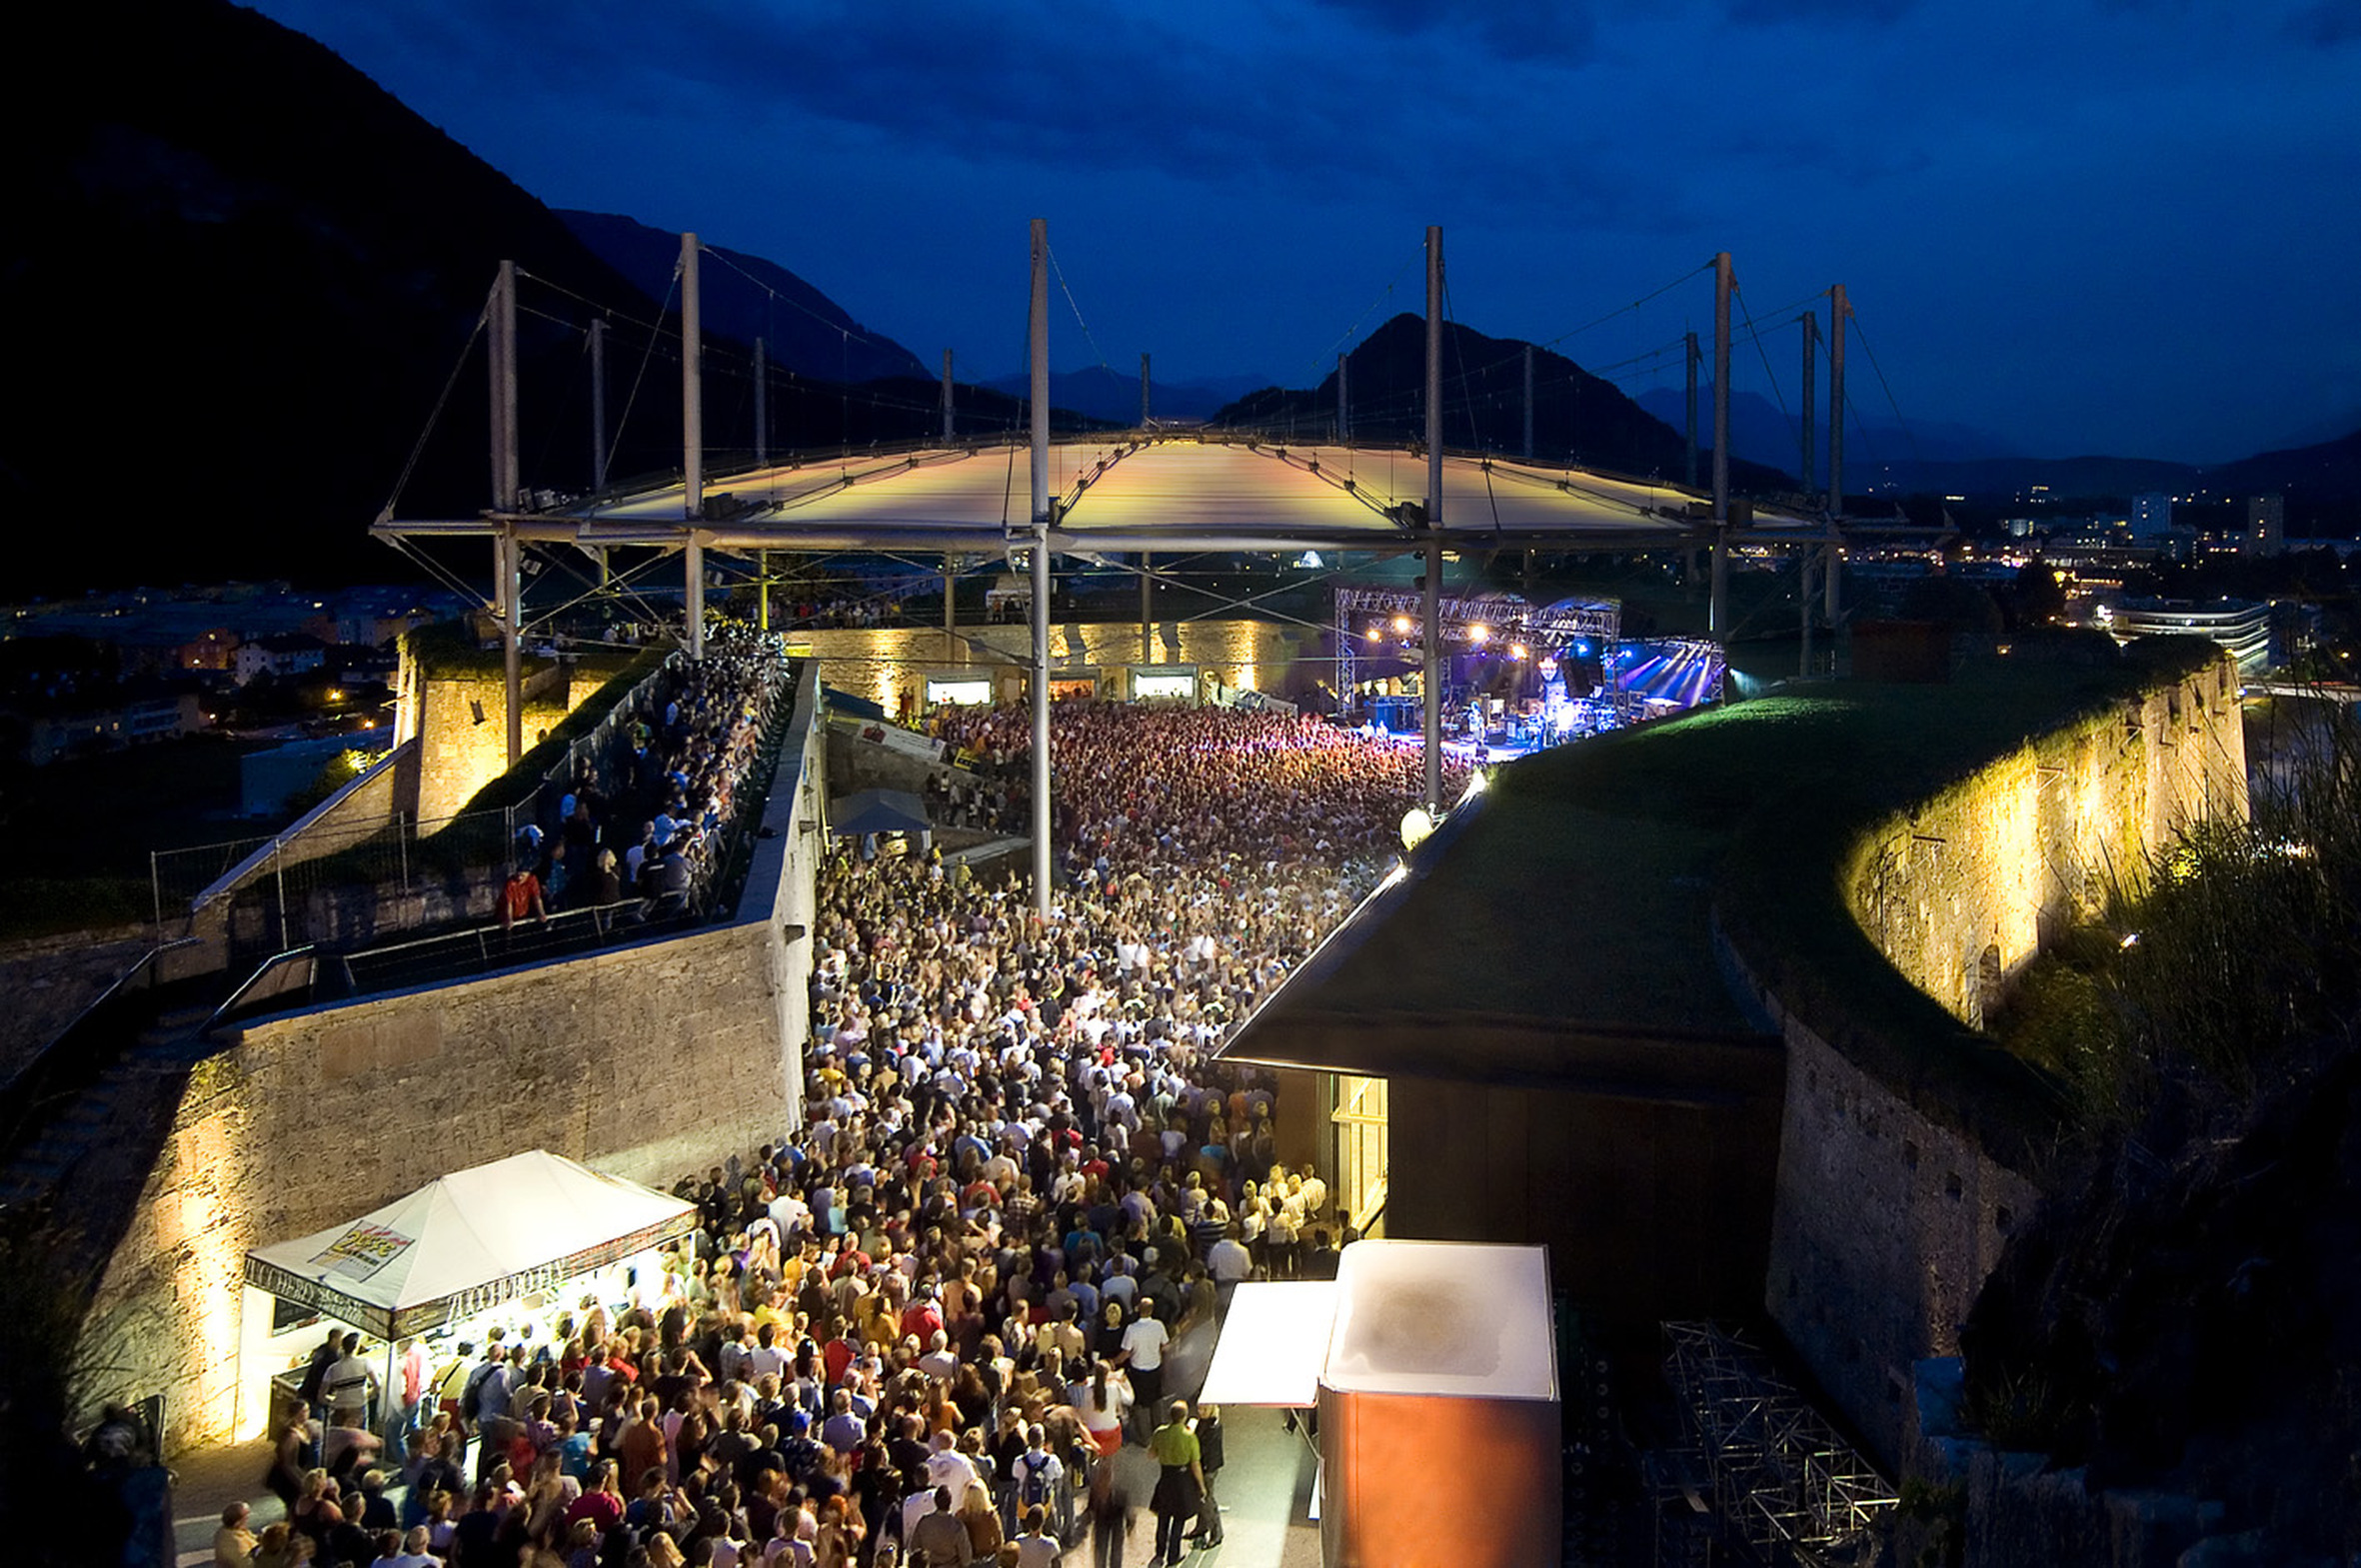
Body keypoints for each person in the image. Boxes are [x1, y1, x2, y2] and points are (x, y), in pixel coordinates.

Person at [1146, 1401, 1203, 1567]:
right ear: (1184, 1417)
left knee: (1163, 1519)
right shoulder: (1189, 1437)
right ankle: (1173, 1555)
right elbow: (1195, 1464)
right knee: (1179, 1519)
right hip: (1182, 1480)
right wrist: (1201, 1486)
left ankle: (1159, 1553)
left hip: (1166, 1478)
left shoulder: (1160, 1433)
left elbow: (1151, 1454)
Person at [1185, 1403, 1224, 1549]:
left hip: (1208, 1468)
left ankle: (1216, 1532)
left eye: (1204, 1409)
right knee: (1201, 1499)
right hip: (1204, 1466)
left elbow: (1204, 1449)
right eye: (1200, 1409)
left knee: (1207, 1499)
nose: (1200, 1412)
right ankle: (1201, 1527)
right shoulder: (1205, 1423)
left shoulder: (1213, 1427)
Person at [906, 1485, 973, 1566]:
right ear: (950, 1501)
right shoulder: (957, 1527)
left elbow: (914, 1547)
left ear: (935, 1501)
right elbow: (966, 1559)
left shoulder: (924, 1522)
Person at [214, 1502, 258, 1568]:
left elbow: (252, 1538)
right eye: (245, 1516)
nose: (248, 1518)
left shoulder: (229, 1530)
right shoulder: (234, 1542)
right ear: (237, 1522)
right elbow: (247, 1565)